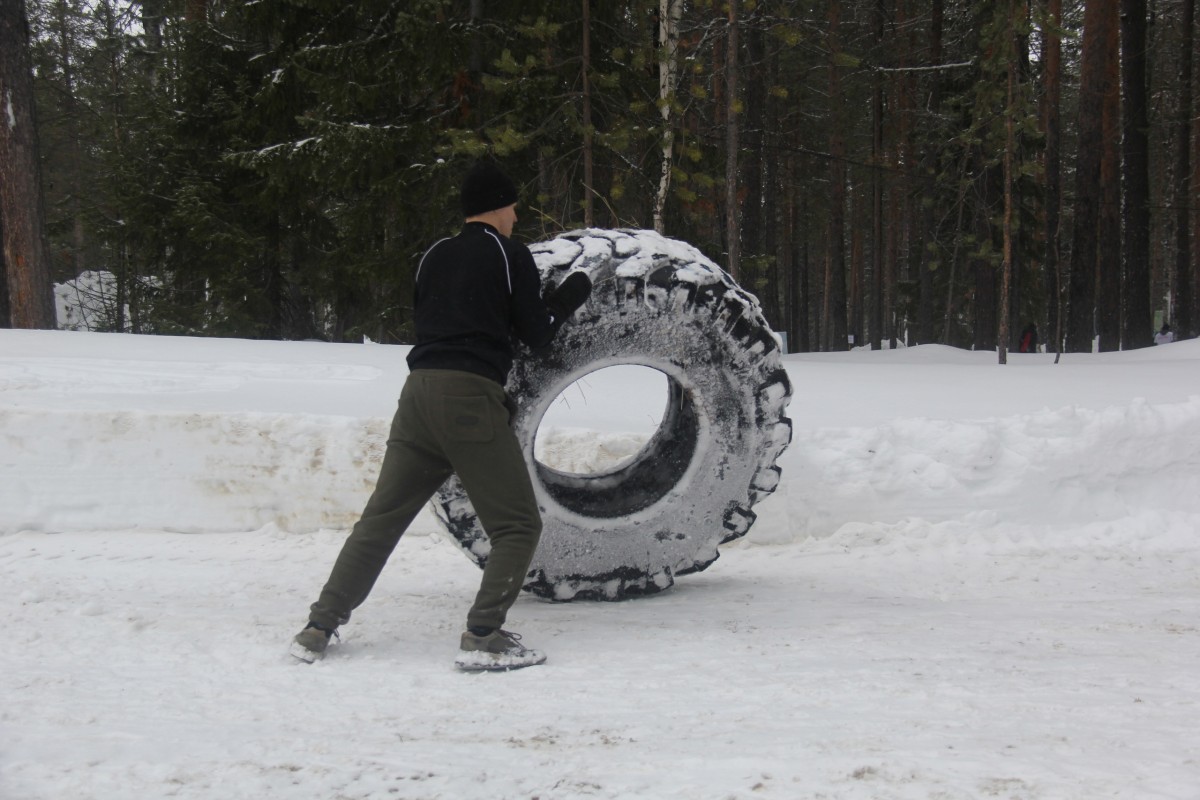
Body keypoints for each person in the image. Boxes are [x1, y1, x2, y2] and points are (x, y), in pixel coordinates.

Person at [290, 161, 592, 671]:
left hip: (417, 396)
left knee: (380, 521)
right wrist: (572, 294)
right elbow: (535, 334)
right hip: (469, 398)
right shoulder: (507, 252)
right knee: (517, 525)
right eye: (514, 206)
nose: (517, 215)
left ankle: (317, 628)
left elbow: (445, 318)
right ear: (498, 206)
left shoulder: (433, 255)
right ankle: (483, 635)